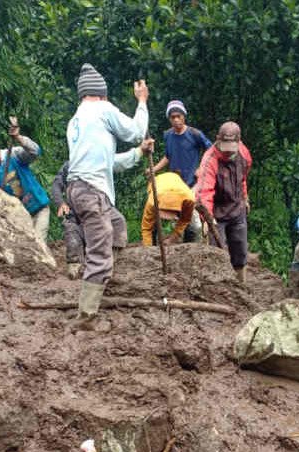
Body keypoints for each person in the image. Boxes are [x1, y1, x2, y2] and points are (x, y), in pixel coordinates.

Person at [65, 63, 149, 326]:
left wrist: (138, 154)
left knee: (117, 223)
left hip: (78, 189)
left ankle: (105, 280)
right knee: (100, 252)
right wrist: (142, 101)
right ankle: (87, 316)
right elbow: (136, 131)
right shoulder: (102, 109)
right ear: (101, 93)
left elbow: (107, 161)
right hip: (92, 192)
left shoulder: (77, 120)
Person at [54, 141, 153, 280]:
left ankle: (111, 258)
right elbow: (56, 185)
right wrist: (60, 203)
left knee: (118, 221)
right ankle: (75, 265)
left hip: (101, 204)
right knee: (72, 231)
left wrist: (139, 152)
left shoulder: (100, 160)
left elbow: (119, 161)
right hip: (76, 209)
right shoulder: (69, 165)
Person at [197, 121, 252, 282]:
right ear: (218, 139)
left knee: (240, 252)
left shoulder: (244, 154)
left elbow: (243, 178)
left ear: (239, 141)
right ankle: (216, 289)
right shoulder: (210, 159)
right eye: (225, 148)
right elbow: (204, 193)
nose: (228, 153)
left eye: (232, 148)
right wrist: (206, 219)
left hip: (237, 208)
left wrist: (245, 197)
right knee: (216, 255)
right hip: (216, 213)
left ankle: (241, 287)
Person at [0, 125, 50, 242]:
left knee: (39, 242)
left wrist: (18, 138)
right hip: (21, 218)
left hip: (38, 208)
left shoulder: (14, 155)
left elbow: (35, 152)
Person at [152, 100, 210, 242]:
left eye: (179, 116)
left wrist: (201, 168)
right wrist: (154, 169)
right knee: (165, 217)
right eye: (173, 117)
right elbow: (168, 156)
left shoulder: (195, 134)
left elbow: (211, 151)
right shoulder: (168, 135)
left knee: (194, 225)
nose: (176, 120)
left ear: (184, 116)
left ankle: (194, 252)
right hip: (175, 185)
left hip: (192, 184)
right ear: (169, 119)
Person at [140, 171, 196, 247]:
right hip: (159, 184)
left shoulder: (189, 200)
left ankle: (189, 247)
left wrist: (172, 239)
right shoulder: (152, 201)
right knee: (152, 224)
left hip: (179, 191)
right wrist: (148, 249)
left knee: (190, 227)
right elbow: (146, 228)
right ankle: (152, 244)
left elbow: (184, 220)